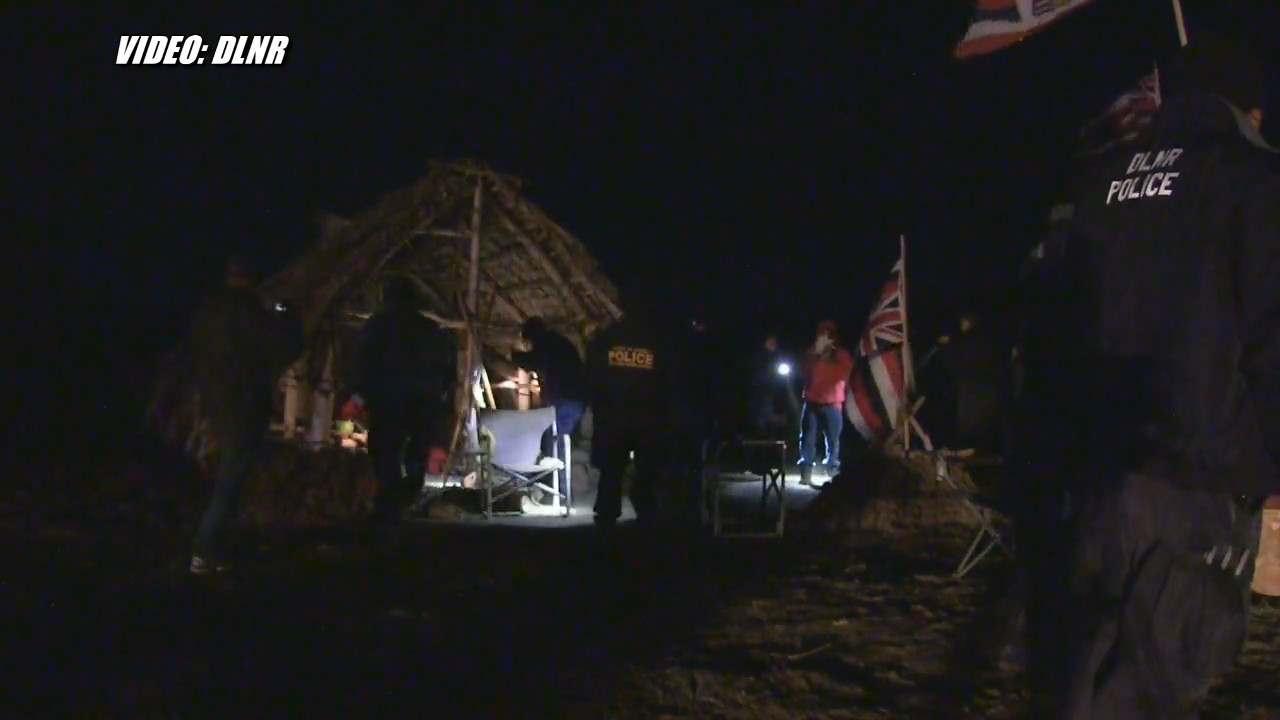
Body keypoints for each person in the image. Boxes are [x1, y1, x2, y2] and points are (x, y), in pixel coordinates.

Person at [1018, 35, 1280, 717]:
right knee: (1156, 677)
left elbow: (1052, 327)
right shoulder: (1252, 182)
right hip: (1199, 481)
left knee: (1088, 672)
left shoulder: (1099, 185)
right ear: (1248, 107)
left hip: (1098, 478)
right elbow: (1271, 336)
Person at [188, 256, 303, 574]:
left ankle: (214, 547)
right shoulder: (247, 311)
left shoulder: (209, 313)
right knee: (231, 482)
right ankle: (205, 551)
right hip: (241, 408)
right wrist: (289, 318)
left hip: (215, 405)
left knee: (228, 478)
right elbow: (281, 345)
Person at [357, 276, 456, 525]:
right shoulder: (432, 330)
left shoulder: (376, 326)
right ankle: (407, 495)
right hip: (423, 400)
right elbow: (447, 370)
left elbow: (364, 364)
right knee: (417, 452)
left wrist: (361, 395)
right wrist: (440, 398)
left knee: (386, 452)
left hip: (388, 400)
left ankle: (389, 502)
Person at [584, 302, 675, 533]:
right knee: (646, 468)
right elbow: (667, 380)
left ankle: (607, 513)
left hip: (613, 418)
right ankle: (645, 510)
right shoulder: (656, 342)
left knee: (611, 470)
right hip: (647, 418)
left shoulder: (606, 339)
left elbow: (592, 375)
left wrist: (600, 406)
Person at [511, 316, 588, 461]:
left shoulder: (548, 344)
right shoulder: (557, 342)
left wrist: (514, 355)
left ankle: (558, 480)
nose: (529, 345)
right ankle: (560, 477)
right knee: (562, 441)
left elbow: (532, 361)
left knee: (557, 442)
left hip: (565, 400)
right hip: (573, 399)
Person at [798, 321, 853, 486]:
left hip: (832, 402)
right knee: (807, 438)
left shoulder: (841, 356)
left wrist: (827, 357)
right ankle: (806, 470)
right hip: (812, 401)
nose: (822, 337)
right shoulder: (811, 354)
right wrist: (816, 355)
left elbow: (844, 374)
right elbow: (804, 372)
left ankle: (832, 471)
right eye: (820, 334)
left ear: (832, 338)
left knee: (833, 440)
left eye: (826, 335)